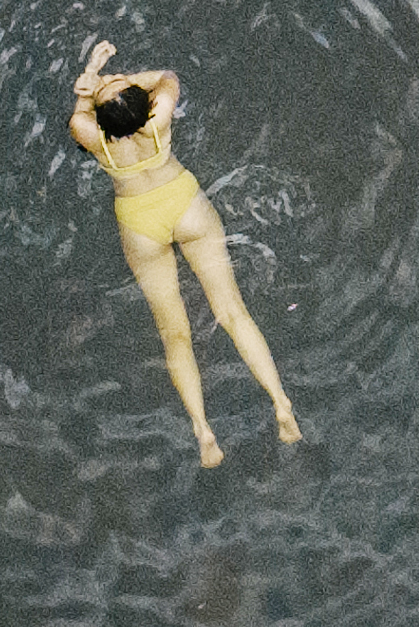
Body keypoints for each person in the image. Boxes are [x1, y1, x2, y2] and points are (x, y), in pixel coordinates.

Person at [69, 38, 300, 465]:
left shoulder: (95, 138)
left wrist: (91, 82)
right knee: (233, 312)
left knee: (175, 334)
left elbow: (81, 112)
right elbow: (167, 78)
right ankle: (282, 405)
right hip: (186, 206)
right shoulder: (159, 117)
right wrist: (123, 79)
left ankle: (203, 430)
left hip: (140, 224)